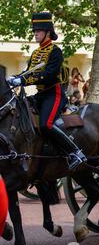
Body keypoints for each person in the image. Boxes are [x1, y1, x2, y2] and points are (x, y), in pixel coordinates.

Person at [6, 12, 86, 170]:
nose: (35, 34)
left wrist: (22, 80)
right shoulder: (36, 53)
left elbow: (48, 75)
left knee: (45, 124)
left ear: (47, 32)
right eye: (35, 31)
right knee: (20, 114)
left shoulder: (55, 51)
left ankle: (75, 152)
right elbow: (28, 72)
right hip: (40, 95)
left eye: (38, 31)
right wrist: (14, 78)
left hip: (53, 93)